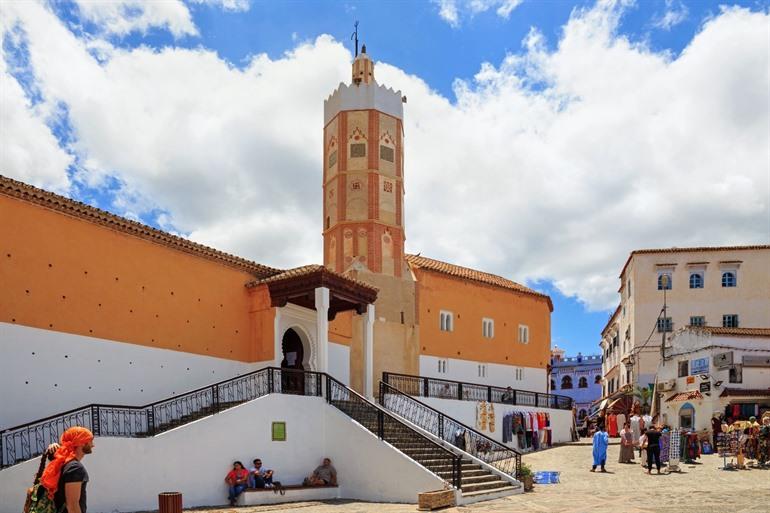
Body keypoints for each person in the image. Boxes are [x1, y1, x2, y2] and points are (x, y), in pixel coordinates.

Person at [40, 426, 94, 513]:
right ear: (81, 442)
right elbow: (72, 506)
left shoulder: (61, 463)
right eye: (90, 440)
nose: (93, 445)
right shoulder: (75, 468)